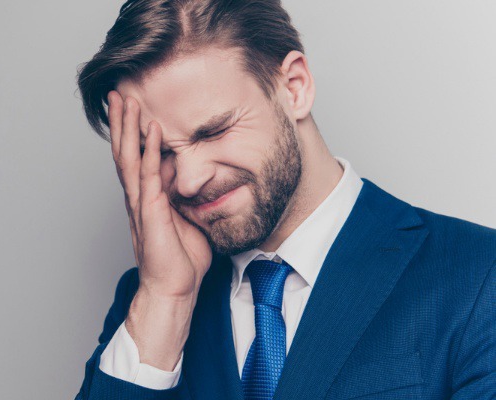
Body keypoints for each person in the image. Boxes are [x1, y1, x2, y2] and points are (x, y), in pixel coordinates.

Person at [73, 1, 495, 399]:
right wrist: (167, 300)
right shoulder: (146, 302)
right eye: (160, 153)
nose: (189, 180)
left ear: (294, 88)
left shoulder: (477, 275)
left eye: (214, 131)